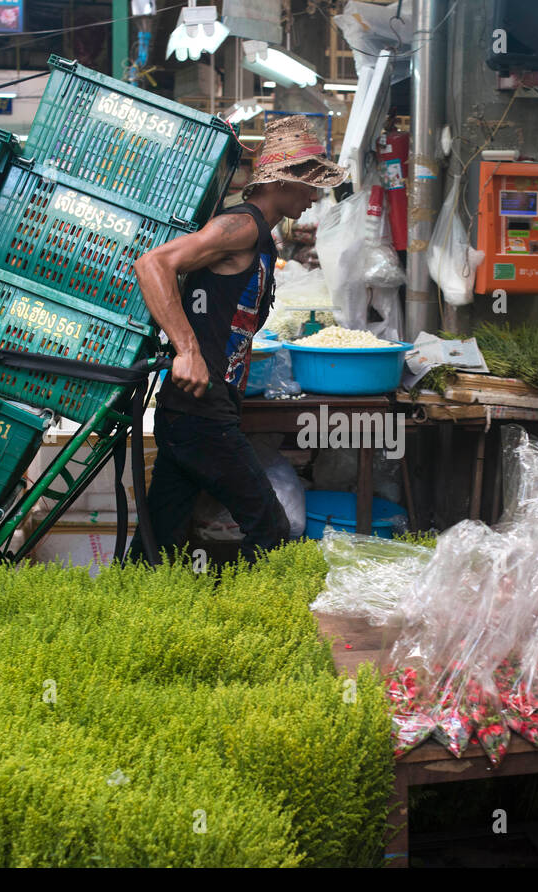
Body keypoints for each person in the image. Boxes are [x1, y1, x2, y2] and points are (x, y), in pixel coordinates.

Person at [134, 116, 347, 562]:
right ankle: (253, 622)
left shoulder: (261, 234)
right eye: (307, 184)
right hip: (201, 409)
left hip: (198, 407)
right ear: (280, 182)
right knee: (269, 526)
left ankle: (126, 608)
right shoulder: (242, 225)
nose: (312, 196)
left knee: (159, 539)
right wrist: (187, 351)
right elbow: (153, 264)